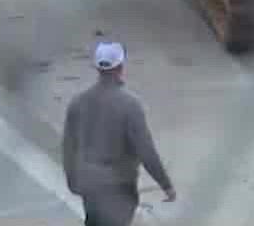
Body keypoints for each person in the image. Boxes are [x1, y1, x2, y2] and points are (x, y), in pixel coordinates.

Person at [61, 41, 174, 226]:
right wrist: (166, 184)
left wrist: (72, 179)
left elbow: (68, 147)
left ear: (97, 68)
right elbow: (146, 150)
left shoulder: (78, 103)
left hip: (90, 183)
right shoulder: (130, 105)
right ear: (120, 67)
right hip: (120, 186)